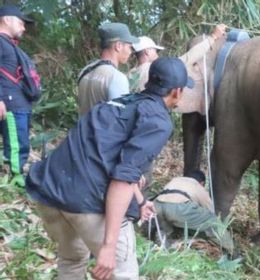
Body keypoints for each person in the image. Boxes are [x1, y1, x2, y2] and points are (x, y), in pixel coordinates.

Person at [26, 57, 193, 280]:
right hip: (85, 203)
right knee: (124, 274)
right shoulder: (158, 121)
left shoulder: (121, 103)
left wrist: (141, 201)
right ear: (177, 91)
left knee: (72, 260)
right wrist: (108, 245)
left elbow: (112, 161)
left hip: (48, 192)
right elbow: (123, 178)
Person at [0, 5, 38, 186]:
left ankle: (16, 172)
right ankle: (15, 177)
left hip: (19, 103)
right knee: (16, 143)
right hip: (10, 104)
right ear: (7, 20)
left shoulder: (9, 44)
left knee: (19, 139)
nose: (23, 28)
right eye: (20, 23)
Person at [127, 24, 227, 93]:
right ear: (147, 51)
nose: (157, 54)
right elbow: (187, 58)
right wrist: (213, 37)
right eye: (155, 50)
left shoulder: (130, 74)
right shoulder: (151, 70)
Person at [152, 170, 234, 253]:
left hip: (157, 205)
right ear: (202, 183)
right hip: (179, 208)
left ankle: (164, 241)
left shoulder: (176, 180)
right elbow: (210, 210)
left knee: (166, 223)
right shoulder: (197, 186)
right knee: (214, 222)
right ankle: (232, 251)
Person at [77, 22, 138, 116]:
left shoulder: (85, 71)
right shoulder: (116, 78)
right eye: (129, 47)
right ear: (118, 46)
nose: (130, 52)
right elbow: (120, 120)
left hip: (81, 130)